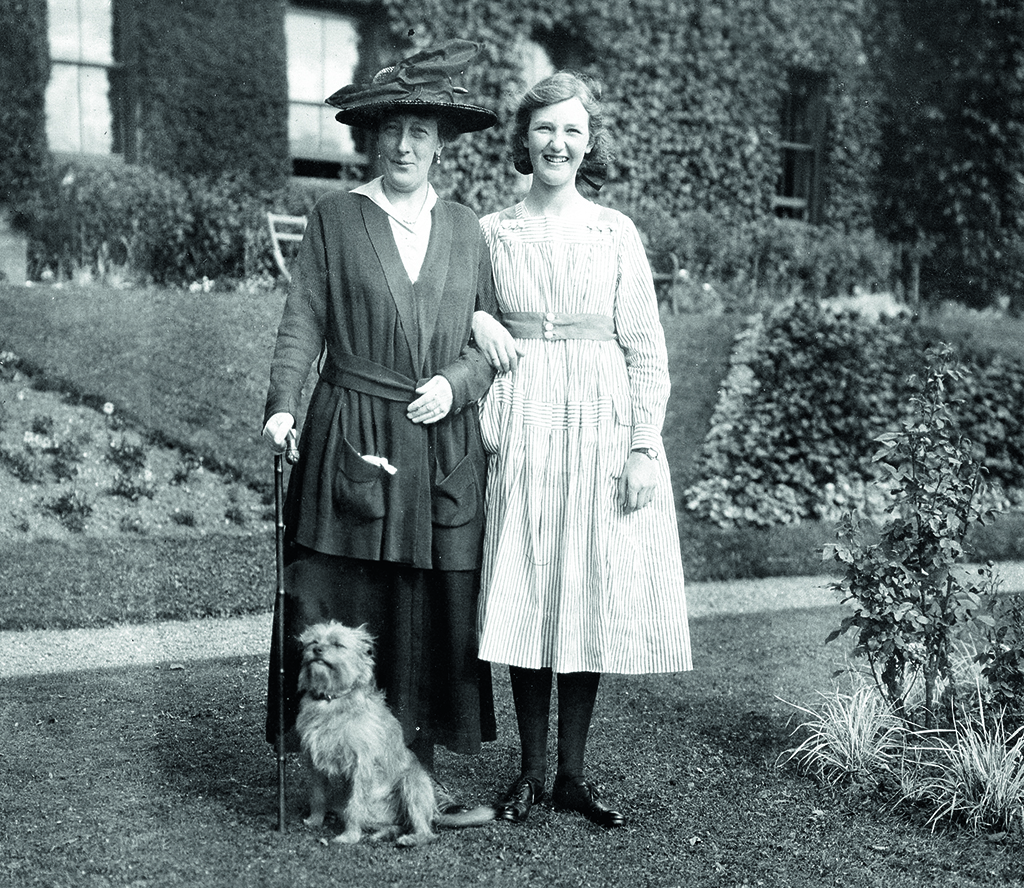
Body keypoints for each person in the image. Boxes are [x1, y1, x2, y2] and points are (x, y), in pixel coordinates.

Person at [261, 39, 500, 780]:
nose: (404, 144)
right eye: (393, 129)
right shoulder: (336, 218)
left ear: (441, 147)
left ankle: (413, 762)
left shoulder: (466, 229)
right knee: (351, 592)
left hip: (436, 445)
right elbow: (304, 319)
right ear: (374, 137)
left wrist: (455, 384)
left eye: (420, 132)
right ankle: (336, 759)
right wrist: (282, 405)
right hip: (353, 431)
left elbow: (487, 340)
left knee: (424, 603)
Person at [471, 71, 692, 828]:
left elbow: (648, 352)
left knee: (586, 587)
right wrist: (478, 324)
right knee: (529, 581)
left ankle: (572, 772)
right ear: (523, 140)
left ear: (587, 142)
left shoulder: (614, 232)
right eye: (543, 129)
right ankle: (529, 774)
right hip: (524, 416)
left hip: (598, 426)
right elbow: (455, 312)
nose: (556, 143)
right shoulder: (492, 232)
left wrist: (641, 448)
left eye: (570, 130)